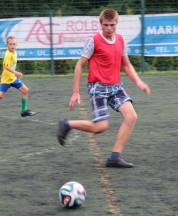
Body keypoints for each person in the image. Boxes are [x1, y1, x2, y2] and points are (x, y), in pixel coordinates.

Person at [57, 9, 151, 168]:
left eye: (112, 25)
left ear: (117, 24)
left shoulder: (121, 40)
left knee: (131, 117)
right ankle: (67, 124)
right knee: (101, 127)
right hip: (98, 88)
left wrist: (139, 82)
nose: (109, 28)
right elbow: (79, 65)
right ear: (100, 24)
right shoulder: (93, 41)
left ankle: (114, 157)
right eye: (106, 25)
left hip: (115, 87)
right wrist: (75, 92)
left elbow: (126, 65)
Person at [0, 36, 36, 117]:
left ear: (16, 44)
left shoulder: (14, 53)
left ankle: (24, 111)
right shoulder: (8, 54)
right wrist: (16, 72)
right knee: (0, 96)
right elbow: (6, 67)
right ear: (7, 45)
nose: (12, 46)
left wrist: (15, 74)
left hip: (13, 78)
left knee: (25, 90)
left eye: (14, 44)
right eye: (10, 44)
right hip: (7, 79)